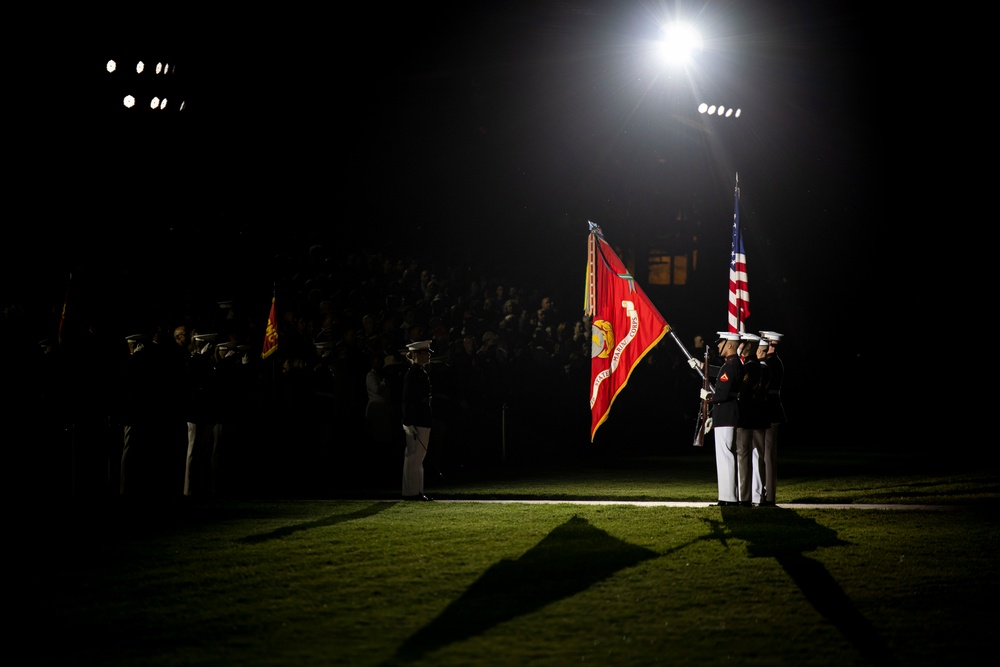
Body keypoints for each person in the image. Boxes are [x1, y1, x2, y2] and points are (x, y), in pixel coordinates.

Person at [697, 331, 744, 506]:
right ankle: (727, 496)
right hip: (727, 414)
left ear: (730, 345)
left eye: (721, 342)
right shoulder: (732, 365)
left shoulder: (730, 366)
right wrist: (702, 366)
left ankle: (729, 497)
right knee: (726, 456)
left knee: (725, 457)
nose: (718, 346)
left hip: (725, 415)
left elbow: (722, 394)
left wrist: (708, 397)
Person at [400, 340, 434, 501]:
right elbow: (407, 399)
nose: (428, 355)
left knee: (418, 456)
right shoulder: (413, 373)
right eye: (424, 353)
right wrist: (408, 421)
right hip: (417, 418)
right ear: (416, 355)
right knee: (414, 456)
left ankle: (417, 490)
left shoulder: (420, 372)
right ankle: (411, 492)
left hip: (422, 417)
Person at [734, 333, 763, 507]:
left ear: (749, 346)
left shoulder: (751, 367)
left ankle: (744, 497)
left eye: (742, 344)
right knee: (744, 456)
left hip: (745, 415)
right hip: (747, 414)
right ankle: (745, 495)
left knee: (743, 456)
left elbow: (743, 390)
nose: (740, 346)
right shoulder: (751, 366)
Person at [758, 330, 787, 506]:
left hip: (770, 411)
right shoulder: (770, 362)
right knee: (765, 455)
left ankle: (770, 496)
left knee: (768, 456)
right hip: (768, 410)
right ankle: (765, 494)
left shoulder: (771, 363)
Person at [751, 337, 772, 506]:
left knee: (757, 456)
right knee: (755, 456)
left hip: (757, 417)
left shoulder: (762, 370)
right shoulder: (760, 368)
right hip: (757, 417)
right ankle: (756, 493)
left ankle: (758, 494)